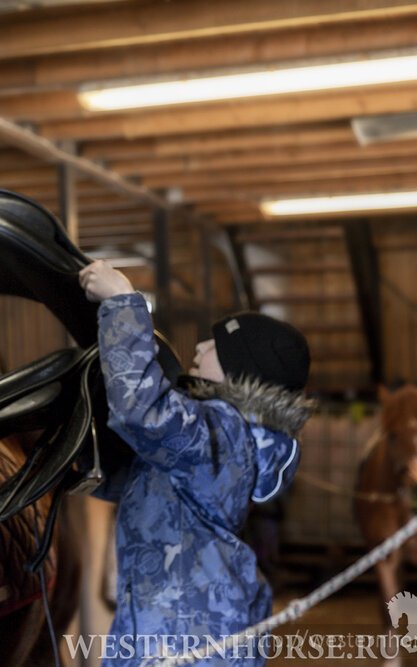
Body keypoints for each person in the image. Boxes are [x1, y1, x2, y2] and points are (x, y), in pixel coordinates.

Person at [79, 260, 314, 665]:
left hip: (187, 637)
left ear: (241, 374)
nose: (200, 347)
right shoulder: (216, 442)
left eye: (214, 346)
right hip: (169, 625)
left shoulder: (221, 432)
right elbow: (139, 480)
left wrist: (122, 302)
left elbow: (140, 410)